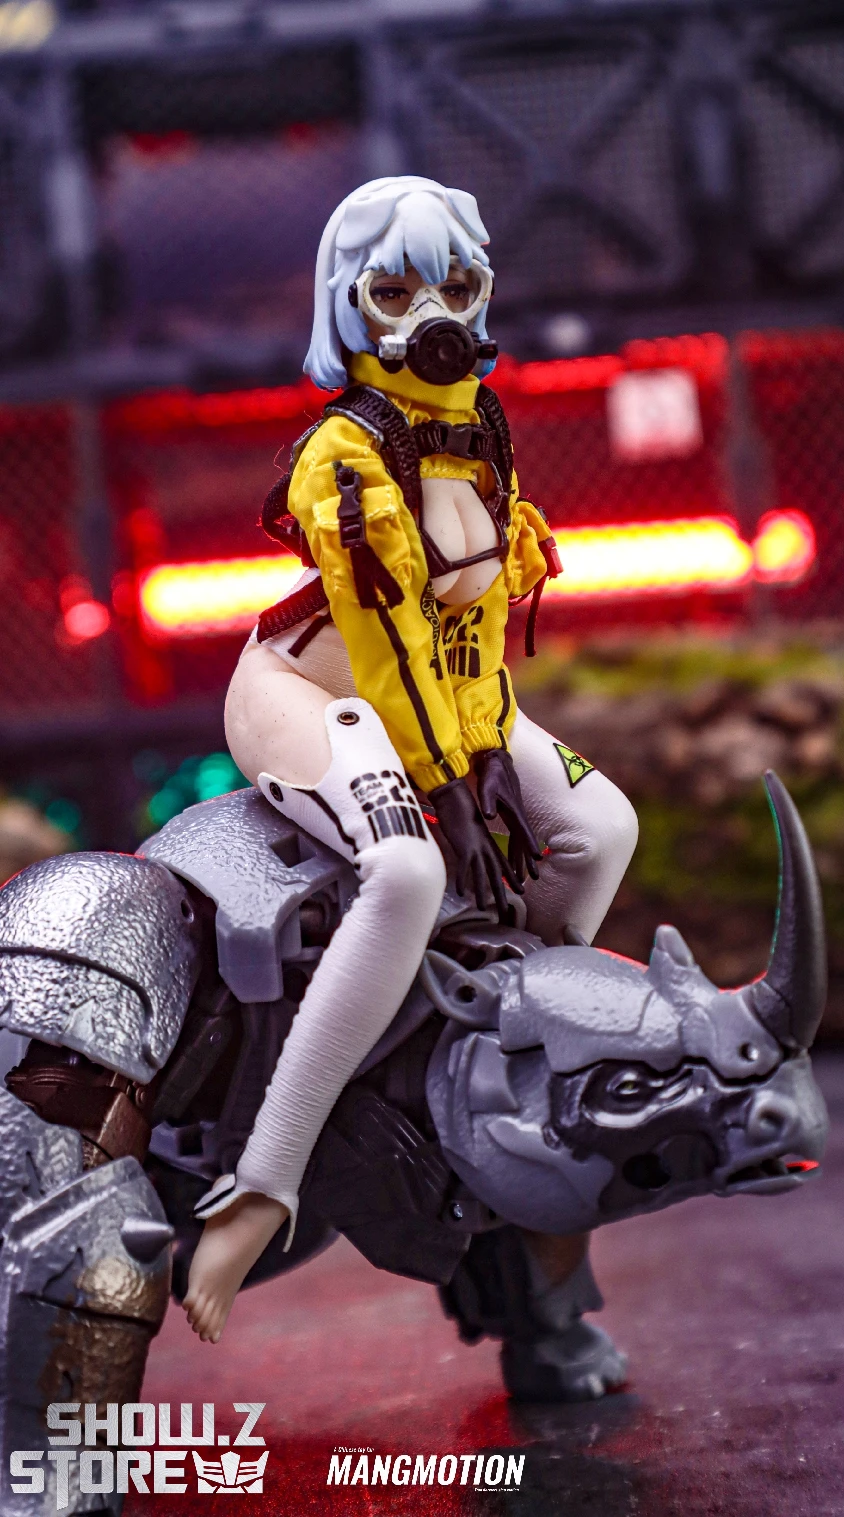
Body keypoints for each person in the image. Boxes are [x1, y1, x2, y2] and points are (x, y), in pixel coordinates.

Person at [183, 177, 638, 1343]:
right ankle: (264, 1181)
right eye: (394, 291)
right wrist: (452, 792)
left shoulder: (480, 426)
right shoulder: (344, 453)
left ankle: (512, 1023)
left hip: (450, 690)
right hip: (312, 691)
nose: (433, 315)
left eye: (457, 285)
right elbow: (383, 651)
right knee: (406, 873)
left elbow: (469, 634)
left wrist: (495, 749)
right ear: (347, 306)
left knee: (602, 826)